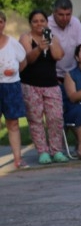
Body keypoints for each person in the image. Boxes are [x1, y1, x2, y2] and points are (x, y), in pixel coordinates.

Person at [20, 9, 68, 165]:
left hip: (51, 84)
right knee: (35, 120)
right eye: (35, 21)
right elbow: (28, 59)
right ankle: (43, 152)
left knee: (56, 118)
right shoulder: (26, 37)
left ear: (47, 23)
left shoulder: (52, 37)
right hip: (31, 85)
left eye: (42, 21)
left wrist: (50, 40)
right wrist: (39, 48)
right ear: (30, 23)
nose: (39, 24)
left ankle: (57, 150)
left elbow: (58, 56)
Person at [0, 11, 29, 168]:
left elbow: (23, 62)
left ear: (4, 23)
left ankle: (18, 159)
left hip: (11, 86)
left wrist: (14, 72)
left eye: (0, 21)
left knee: (13, 123)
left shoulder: (12, 43)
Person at [48, 0, 81, 79]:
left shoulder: (76, 22)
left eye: (68, 14)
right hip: (52, 74)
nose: (65, 18)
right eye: (61, 15)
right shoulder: (46, 25)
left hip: (74, 72)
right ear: (54, 12)